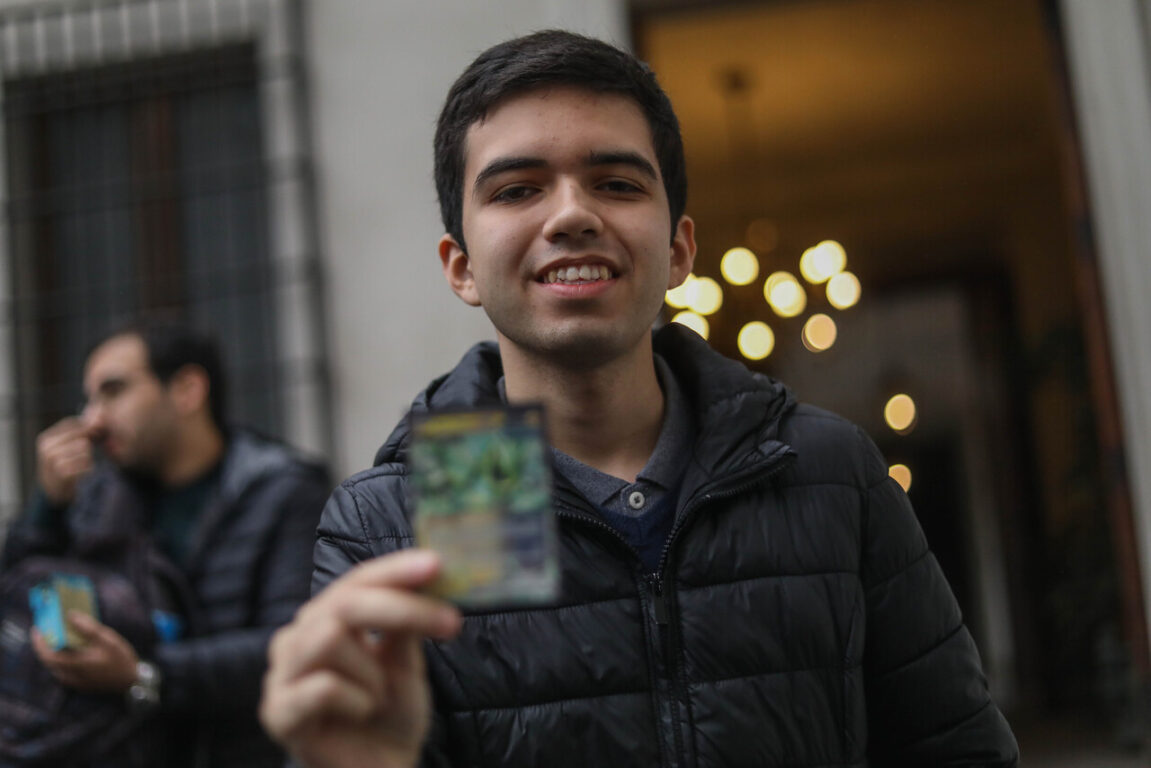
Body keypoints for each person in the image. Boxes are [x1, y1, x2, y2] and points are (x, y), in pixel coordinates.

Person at [259, 30, 1019, 768]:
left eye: (616, 184)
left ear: (679, 249)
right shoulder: (389, 524)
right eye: (517, 189)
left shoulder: (828, 470)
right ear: (460, 266)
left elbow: (956, 750)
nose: (571, 216)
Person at [1, 321, 330, 768]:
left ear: (187, 390)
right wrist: (48, 507)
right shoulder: (103, 494)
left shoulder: (283, 492)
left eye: (113, 392)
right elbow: (16, 601)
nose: (91, 420)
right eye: (89, 399)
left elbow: (294, 643)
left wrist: (142, 673)